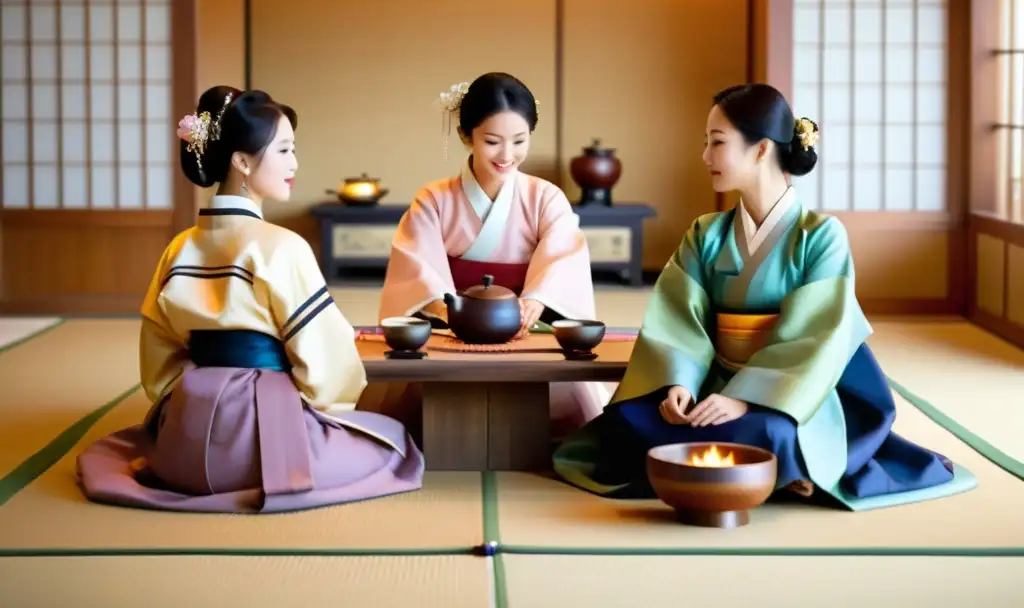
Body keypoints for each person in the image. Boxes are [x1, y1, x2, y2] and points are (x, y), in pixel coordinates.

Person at [553, 83, 976, 510]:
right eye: (706, 143)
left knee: (774, 432)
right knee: (630, 419)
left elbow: (816, 337)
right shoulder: (706, 233)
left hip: (792, 387)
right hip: (709, 380)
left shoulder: (820, 235)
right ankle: (773, 473)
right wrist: (679, 382)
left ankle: (781, 464)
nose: (705, 156)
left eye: (717, 143)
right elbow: (678, 319)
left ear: (760, 150)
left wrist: (743, 398)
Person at [76, 86, 424, 513]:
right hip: (263, 431)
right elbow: (327, 368)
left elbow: (157, 360)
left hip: (185, 439)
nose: (294, 163)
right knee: (395, 445)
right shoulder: (282, 246)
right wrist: (322, 412)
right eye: (284, 150)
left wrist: (185, 408)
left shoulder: (179, 248)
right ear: (242, 160)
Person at [371, 72, 610, 436]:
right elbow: (416, 270)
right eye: (493, 142)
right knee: (408, 417)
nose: (507, 155)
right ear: (467, 136)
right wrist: (450, 312)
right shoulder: (433, 200)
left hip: (525, 328)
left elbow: (564, 261)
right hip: (451, 329)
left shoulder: (545, 197)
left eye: (519, 141)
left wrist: (535, 303)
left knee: (571, 421)